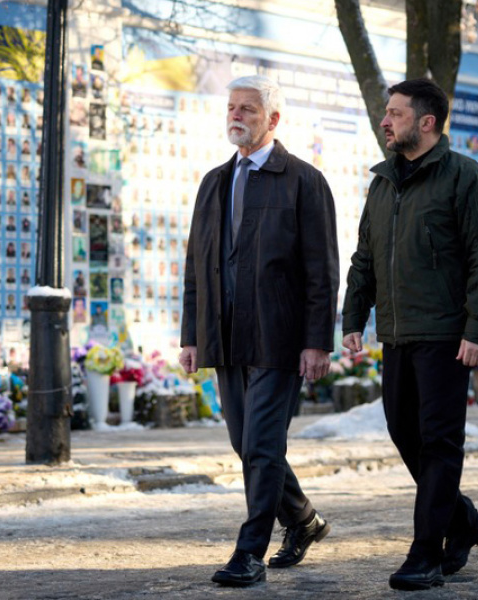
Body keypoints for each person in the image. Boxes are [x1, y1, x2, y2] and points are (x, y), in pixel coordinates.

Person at [341, 78, 478, 591]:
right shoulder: (383, 183)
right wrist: (354, 318)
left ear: (427, 121)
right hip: (397, 333)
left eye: (395, 113)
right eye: (386, 113)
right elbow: (365, 257)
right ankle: (464, 520)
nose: (385, 121)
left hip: (446, 335)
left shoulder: (467, 178)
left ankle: (426, 553)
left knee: (438, 441)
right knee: (403, 433)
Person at [178, 75, 340, 587]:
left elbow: (322, 269)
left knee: (263, 446)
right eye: (232, 107)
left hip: (279, 335)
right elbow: (196, 266)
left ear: (273, 119)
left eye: (248, 108)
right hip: (224, 334)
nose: (237, 115)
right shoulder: (214, 182)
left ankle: (249, 552)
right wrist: (191, 334)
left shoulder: (304, 180)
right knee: (246, 444)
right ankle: (304, 520)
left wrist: (317, 341)